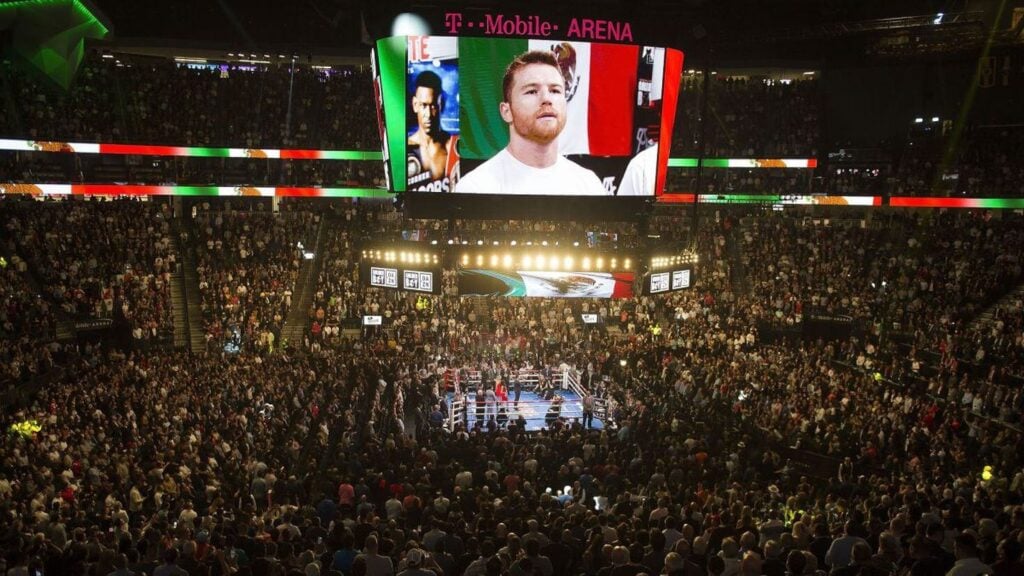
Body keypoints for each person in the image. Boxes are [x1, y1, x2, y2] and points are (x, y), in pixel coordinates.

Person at [455, 50, 607, 196]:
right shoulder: (477, 188)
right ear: (506, 111)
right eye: (532, 91)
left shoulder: (590, 185)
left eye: (555, 90)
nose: (547, 99)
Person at [407, 70, 460, 192]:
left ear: (441, 103)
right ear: (415, 105)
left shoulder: (452, 147)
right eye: (423, 105)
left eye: (433, 106)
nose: (428, 114)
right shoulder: (407, 148)